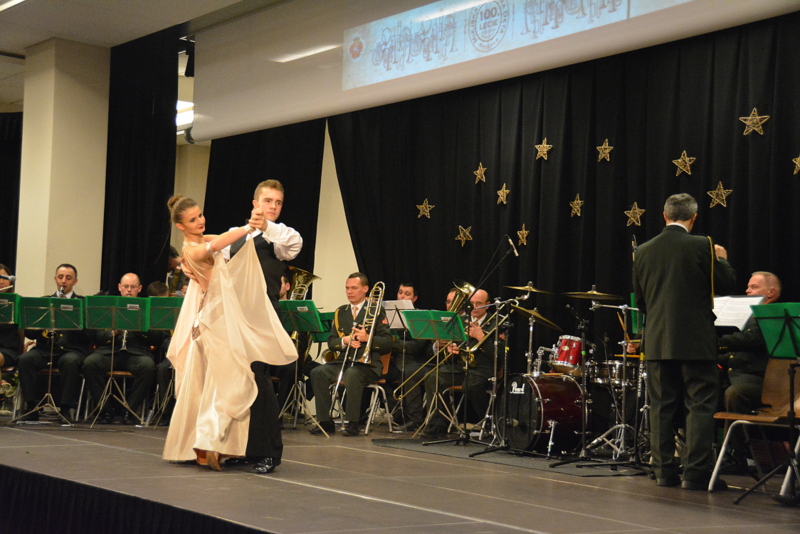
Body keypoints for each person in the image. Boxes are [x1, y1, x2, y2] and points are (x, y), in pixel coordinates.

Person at [162, 195, 297, 472]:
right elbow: (217, 245)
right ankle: (212, 444)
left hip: (223, 317)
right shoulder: (195, 250)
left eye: (200, 215)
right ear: (180, 226)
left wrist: (258, 227)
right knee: (224, 383)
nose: (200, 221)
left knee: (225, 382)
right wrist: (249, 226)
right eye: (192, 219)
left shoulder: (200, 241)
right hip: (215, 320)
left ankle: (222, 446)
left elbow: (225, 239)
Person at [632, 193, 736, 490]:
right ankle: (695, 474)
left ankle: (664, 472)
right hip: (695, 341)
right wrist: (721, 259)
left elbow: (641, 301)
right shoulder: (702, 244)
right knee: (700, 405)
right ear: (694, 218)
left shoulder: (643, 251)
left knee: (660, 407)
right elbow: (726, 284)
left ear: (664, 215)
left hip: (657, 340)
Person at [221, 180, 302, 473]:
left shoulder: (280, 238)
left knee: (260, 381)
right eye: (268, 201)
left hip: (262, 318)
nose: (273, 207)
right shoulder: (235, 234)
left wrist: (266, 226)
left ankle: (268, 452)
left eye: (278, 203)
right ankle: (243, 448)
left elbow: (294, 245)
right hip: (234, 317)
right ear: (255, 203)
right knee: (237, 383)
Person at [309, 272, 392, 436]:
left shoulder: (377, 310)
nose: (349, 292)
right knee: (317, 372)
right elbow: (331, 342)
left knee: (353, 373)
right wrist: (345, 341)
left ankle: (353, 422)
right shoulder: (341, 312)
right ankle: (325, 422)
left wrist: (367, 338)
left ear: (365, 289)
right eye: (347, 288)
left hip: (368, 364)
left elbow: (388, 343)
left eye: (354, 288)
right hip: (344, 361)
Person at [82, 273, 163, 424]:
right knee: (90, 363)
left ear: (139, 289)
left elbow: (158, 337)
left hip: (137, 354)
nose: (129, 290)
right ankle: (104, 410)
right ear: (119, 287)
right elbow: (97, 336)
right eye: (126, 286)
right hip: (110, 352)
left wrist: (140, 327)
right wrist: (113, 333)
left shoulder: (147, 308)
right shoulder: (109, 307)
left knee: (148, 366)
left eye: (133, 287)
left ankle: (130, 411)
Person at [421, 288, 501, 439]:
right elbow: (452, 353)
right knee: (433, 376)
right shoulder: (460, 321)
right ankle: (438, 424)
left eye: (479, 303)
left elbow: (501, 356)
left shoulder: (497, 322)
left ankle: (490, 423)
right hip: (461, 368)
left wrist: (482, 337)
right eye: (471, 303)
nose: (474, 307)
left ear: (488, 304)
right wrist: (450, 351)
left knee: (471, 385)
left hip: (483, 370)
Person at [17, 264, 93, 423]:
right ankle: (31, 407)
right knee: (25, 359)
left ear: (75, 281)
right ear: (55, 279)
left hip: (71, 350)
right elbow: (30, 333)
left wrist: (75, 321)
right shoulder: (45, 301)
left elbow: (90, 335)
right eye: (60, 277)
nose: (63, 281)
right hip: (45, 349)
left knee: (71, 362)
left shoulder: (81, 303)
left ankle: (65, 408)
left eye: (68, 278)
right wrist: (43, 322)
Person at [718, 271, 782, 413]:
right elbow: (735, 354)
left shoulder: (774, 315)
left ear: (771, 292)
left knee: (734, 393)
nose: (747, 290)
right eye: (748, 287)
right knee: (701, 389)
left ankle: (739, 428)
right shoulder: (751, 315)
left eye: (754, 287)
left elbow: (752, 339)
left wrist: (715, 343)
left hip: (760, 380)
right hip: (734, 377)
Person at [389, 282, 429, 431]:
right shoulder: (388, 314)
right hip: (393, 359)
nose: (402, 296)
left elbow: (416, 347)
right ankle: (398, 416)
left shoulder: (421, 317)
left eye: (407, 294)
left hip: (415, 360)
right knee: (376, 372)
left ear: (414, 298)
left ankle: (415, 419)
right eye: (400, 292)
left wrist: (392, 342)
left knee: (408, 373)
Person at [0, 264, 22, 370]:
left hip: (8, 349)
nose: (1, 282)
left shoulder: (17, 301)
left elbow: (23, 332)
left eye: (5, 278)